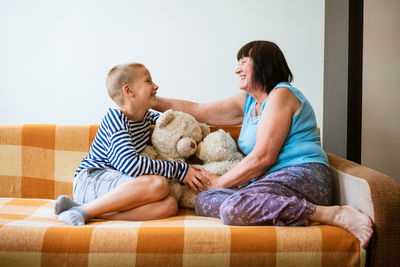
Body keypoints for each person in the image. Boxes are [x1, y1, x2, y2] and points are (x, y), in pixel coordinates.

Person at [155, 40, 373, 248]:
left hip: (302, 175)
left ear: (262, 63)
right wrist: (152, 102)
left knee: (231, 209)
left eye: (243, 63)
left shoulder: (281, 94)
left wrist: (219, 182)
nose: (237, 70)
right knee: (204, 201)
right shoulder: (248, 102)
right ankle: (288, 213)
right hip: (272, 182)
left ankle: (332, 214)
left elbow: (263, 157)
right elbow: (199, 110)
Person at [54, 63, 208, 226]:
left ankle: (84, 210)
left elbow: (174, 122)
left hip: (117, 190)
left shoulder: (146, 117)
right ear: (128, 91)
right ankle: (84, 210)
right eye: (148, 81)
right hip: (92, 180)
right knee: (159, 184)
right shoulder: (115, 119)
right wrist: (180, 170)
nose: (156, 86)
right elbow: (130, 165)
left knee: (169, 205)